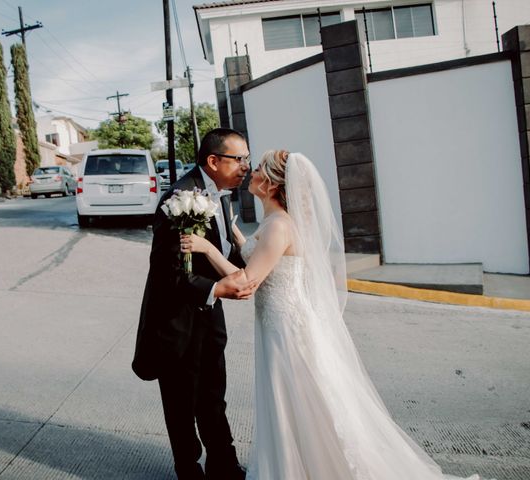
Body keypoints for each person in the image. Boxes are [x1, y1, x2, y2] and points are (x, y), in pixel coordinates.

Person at [180, 150, 491, 480]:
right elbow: (255, 255)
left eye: (257, 169)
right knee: (297, 405)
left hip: (287, 330)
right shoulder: (276, 223)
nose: (250, 173)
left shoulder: (279, 227)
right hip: (280, 324)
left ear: (271, 184)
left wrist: (207, 248)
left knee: (300, 404)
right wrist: (230, 229)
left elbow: (247, 281)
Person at [132, 128, 255, 480]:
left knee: (214, 394)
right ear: (213, 161)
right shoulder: (178, 200)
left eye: (247, 157)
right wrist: (217, 289)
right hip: (175, 321)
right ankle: (188, 469)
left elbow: (225, 250)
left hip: (209, 320)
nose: (246, 165)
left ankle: (224, 464)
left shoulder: (223, 195)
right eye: (239, 158)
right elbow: (168, 274)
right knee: (181, 403)